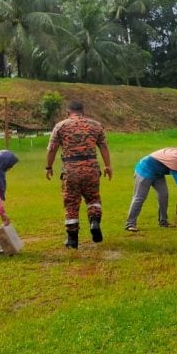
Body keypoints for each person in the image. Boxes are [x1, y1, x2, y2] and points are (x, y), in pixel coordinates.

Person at [45, 101, 112, 249]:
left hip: (71, 170)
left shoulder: (61, 126)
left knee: (71, 203)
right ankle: (94, 222)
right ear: (83, 112)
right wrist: (108, 166)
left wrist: (48, 167)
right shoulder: (96, 125)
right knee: (93, 198)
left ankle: (72, 240)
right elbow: (104, 146)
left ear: (68, 113)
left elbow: (52, 149)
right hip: (91, 169)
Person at [125, 144, 177, 231]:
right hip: (144, 171)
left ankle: (163, 221)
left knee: (163, 195)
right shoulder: (174, 159)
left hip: (158, 174)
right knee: (139, 198)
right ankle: (130, 224)